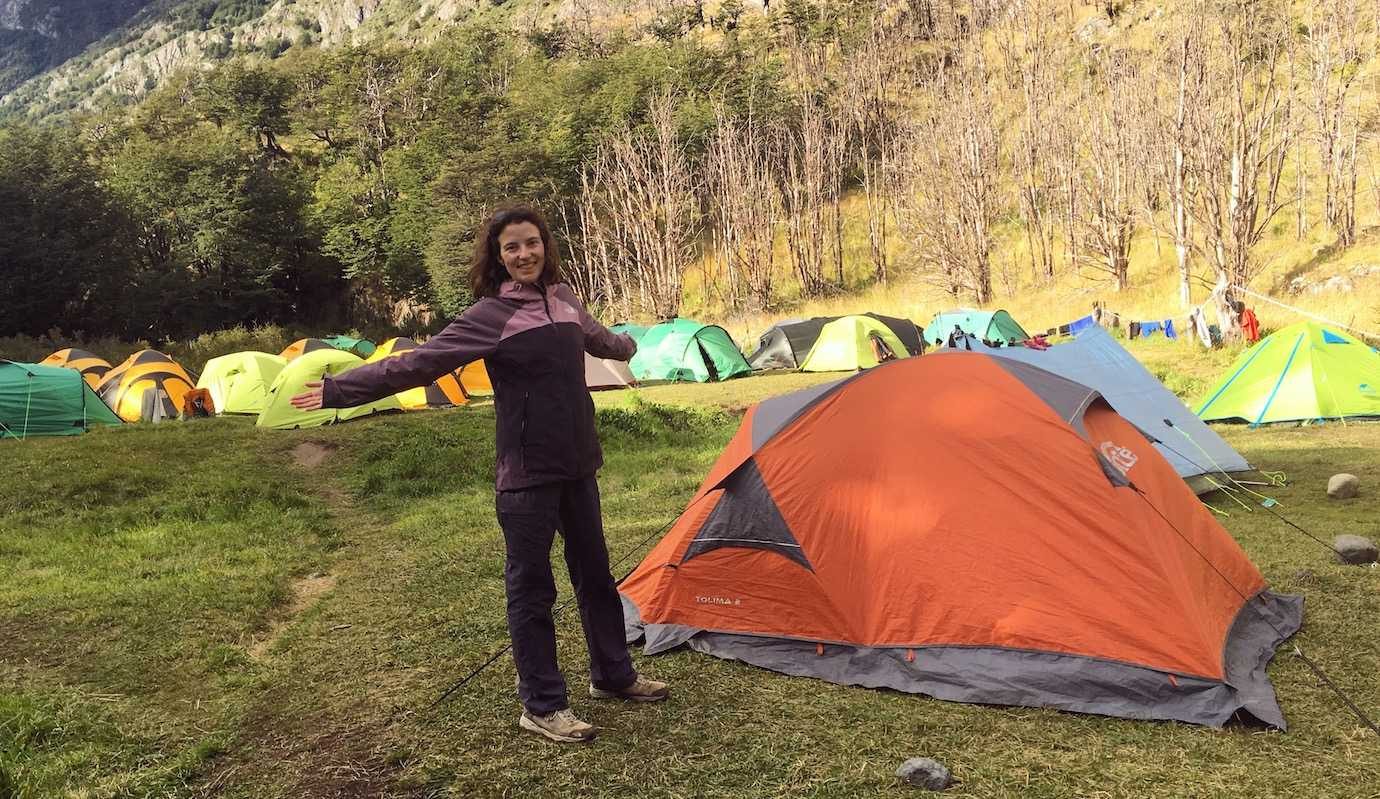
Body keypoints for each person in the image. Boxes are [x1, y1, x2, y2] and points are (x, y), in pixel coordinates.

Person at [289, 203, 668, 743]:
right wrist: (338, 389)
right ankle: (541, 705)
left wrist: (632, 343)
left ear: (546, 246)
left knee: (596, 577)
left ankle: (613, 674)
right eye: (510, 247)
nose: (523, 254)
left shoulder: (563, 300)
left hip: (579, 465)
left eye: (531, 243)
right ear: (497, 257)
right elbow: (417, 363)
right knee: (532, 590)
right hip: (526, 474)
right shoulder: (491, 316)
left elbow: (601, 339)